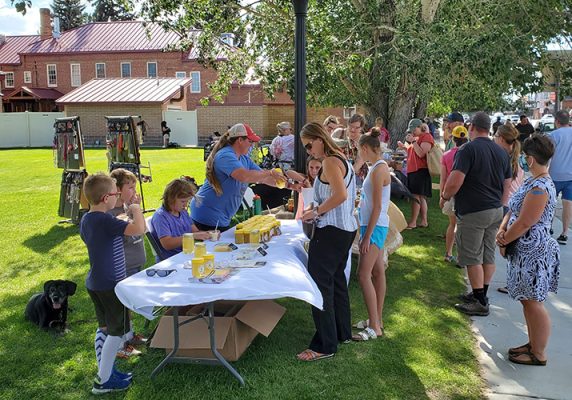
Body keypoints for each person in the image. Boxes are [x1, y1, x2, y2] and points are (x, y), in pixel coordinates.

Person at [496, 135, 560, 366]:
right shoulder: (532, 182)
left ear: (531, 159)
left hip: (534, 252)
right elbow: (512, 211)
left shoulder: (540, 188)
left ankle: (539, 353)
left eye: (524, 157)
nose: (522, 159)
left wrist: (504, 241)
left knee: (533, 301)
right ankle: (532, 344)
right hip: (523, 251)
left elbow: (525, 222)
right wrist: (502, 230)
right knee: (527, 300)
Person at [79, 172, 145, 394]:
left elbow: (110, 227)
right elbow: (139, 229)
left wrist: (122, 217)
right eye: (116, 193)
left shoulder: (88, 219)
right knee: (116, 332)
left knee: (105, 328)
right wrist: (136, 209)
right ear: (107, 197)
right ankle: (103, 380)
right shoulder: (106, 220)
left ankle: (106, 371)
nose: (119, 197)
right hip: (110, 284)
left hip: (95, 281)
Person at [441, 112, 512, 316]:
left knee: (472, 256)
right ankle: (480, 293)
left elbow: (455, 181)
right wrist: (502, 206)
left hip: (474, 210)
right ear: (488, 128)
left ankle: (480, 301)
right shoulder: (500, 152)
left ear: (471, 127)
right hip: (495, 210)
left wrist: (445, 196)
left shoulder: (467, 149)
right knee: (487, 254)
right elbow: (506, 185)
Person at [297, 122, 357, 361]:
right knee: (337, 282)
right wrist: (317, 207)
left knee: (320, 284)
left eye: (309, 145)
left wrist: (316, 211)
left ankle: (325, 344)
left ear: (320, 139)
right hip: (343, 229)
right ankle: (342, 333)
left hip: (332, 231)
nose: (309, 150)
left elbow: (340, 196)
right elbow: (338, 194)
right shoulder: (337, 158)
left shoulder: (331, 161)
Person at [190, 123, 286, 231]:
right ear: (240, 140)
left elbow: (262, 177)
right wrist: (270, 172)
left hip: (220, 217)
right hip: (207, 214)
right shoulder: (225, 155)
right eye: (250, 141)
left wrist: (288, 184)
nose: (252, 145)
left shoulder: (244, 159)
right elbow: (244, 176)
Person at [352, 129, 391, 341]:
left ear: (366, 149)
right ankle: (376, 320)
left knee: (363, 274)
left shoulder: (378, 170)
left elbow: (377, 207)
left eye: (360, 151)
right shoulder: (377, 168)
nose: (359, 155)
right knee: (377, 272)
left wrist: (366, 236)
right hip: (375, 225)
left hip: (374, 227)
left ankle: (374, 326)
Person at [108, 168, 147, 357]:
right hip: (124, 265)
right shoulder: (114, 213)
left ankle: (130, 334)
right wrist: (134, 212)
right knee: (121, 304)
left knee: (129, 303)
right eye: (130, 187)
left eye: (134, 187)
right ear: (117, 189)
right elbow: (137, 229)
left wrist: (134, 208)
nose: (134, 191)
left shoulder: (127, 207)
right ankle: (121, 344)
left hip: (135, 262)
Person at [150, 178, 213, 259]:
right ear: (171, 199)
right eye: (183, 201)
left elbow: (195, 231)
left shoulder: (182, 212)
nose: (186, 205)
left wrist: (208, 234)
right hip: (172, 259)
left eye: (187, 201)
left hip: (187, 254)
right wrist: (193, 236)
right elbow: (167, 244)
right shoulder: (161, 217)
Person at [398, 118, 434, 229]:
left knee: (416, 196)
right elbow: (413, 151)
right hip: (415, 170)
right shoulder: (418, 138)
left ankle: (413, 222)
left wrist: (413, 141)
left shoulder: (426, 137)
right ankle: (423, 221)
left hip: (420, 171)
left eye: (414, 129)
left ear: (420, 127)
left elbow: (421, 154)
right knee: (420, 197)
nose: (412, 132)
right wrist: (404, 147)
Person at [440, 126, 468, 264]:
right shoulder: (470, 153)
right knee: (464, 226)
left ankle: (448, 253)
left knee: (452, 224)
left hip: (450, 193)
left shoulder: (446, 155)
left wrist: (442, 195)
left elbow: (443, 178)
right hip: (466, 193)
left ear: (453, 139)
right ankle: (462, 257)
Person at [548, 110, 572, 245]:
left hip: (555, 175)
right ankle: (564, 233)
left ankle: (548, 227)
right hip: (571, 175)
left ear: (557, 121)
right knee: (568, 204)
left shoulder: (553, 135)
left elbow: (548, 155)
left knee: (550, 203)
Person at [331, 113, 368, 187]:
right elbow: (329, 146)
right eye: (351, 126)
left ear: (361, 128)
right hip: (337, 171)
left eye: (356, 127)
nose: (353, 130)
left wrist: (342, 178)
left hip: (355, 177)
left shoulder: (363, 142)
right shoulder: (339, 133)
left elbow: (357, 165)